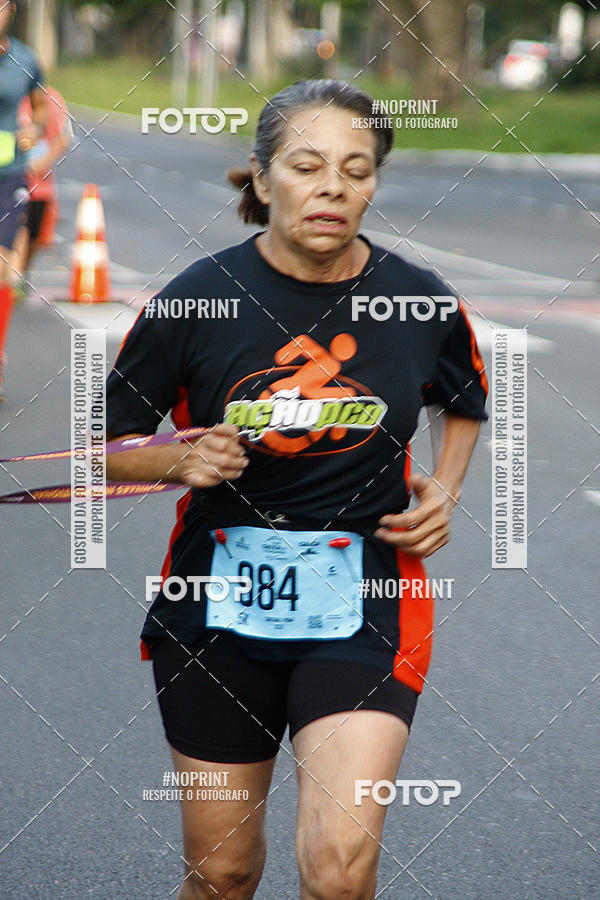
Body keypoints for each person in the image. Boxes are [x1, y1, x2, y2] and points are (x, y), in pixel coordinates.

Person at [106, 79, 488, 900]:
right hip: (213, 603)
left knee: (341, 870)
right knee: (223, 873)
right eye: (308, 165)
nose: (333, 187)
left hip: (366, 599)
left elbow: (466, 400)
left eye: (357, 169)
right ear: (263, 175)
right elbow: (104, 451)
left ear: (375, 183)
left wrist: (446, 491)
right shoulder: (194, 302)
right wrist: (176, 459)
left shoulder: (418, 299)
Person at [0, 0, 48, 398]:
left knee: (5, 268)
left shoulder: (25, 59)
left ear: (11, 9)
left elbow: (41, 107)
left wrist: (35, 129)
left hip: (8, 173)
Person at [11, 84, 73, 295]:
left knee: (36, 237)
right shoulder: (10, 93)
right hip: (13, 183)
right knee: (18, 231)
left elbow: (64, 136)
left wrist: (43, 162)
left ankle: (21, 274)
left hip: (41, 187)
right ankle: (14, 279)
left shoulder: (52, 97)